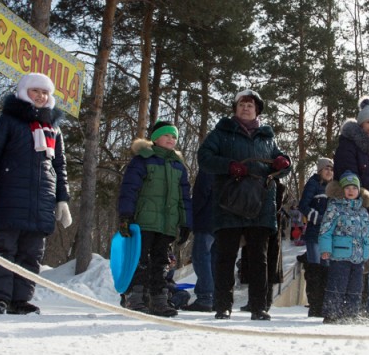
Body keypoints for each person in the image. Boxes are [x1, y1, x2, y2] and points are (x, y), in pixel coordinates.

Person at [0, 72, 71, 315]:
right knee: (3, 248)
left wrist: (62, 199)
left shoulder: (53, 129)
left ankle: (20, 299)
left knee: (31, 253)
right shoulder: (8, 121)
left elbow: (59, 166)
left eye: (45, 92)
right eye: (35, 91)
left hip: (41, 202)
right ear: (23, 92)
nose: (40, 96)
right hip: (9, 198)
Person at [197, 89, 291, 321]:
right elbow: (204, 158)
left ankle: (259, 307)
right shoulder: (221, 133)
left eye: (250, 105)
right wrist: (229, 166)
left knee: (259, 259)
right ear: (235, 109)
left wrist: (283, 163)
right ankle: (222, 306)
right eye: (242, 104)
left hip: (261, 205)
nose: (246, 108)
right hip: (228, 203)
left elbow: (283, 166)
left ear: (257, 110)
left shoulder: (268, 138)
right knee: (225, 257)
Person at [117, 119, 193, 318]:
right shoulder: (143, 159)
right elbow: (129, 189)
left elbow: (184, 197)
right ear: (156, 138)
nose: (171, 139)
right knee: (139, 260)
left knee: (161, 262)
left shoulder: (178, 166)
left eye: (174, 136)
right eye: (166, 135)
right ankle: (135, 297)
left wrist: (186, 223)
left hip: (167, 223)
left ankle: (158, 300)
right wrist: (126, 215)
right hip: (143, 221)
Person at [318, 172, 369, 324]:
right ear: (342, 190)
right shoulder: (335, 207)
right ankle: (332, 313)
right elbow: (325, 230)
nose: (351, 191)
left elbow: (366, 230)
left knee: (355, 287)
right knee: (338, 284)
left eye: (354, 188)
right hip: (340, 254)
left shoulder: (363, 210)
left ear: (359, 191)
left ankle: (351, 314)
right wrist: (325, 249)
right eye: (347, 188)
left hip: (358, 256)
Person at [297, 157, 334, 317]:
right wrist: (318, 218)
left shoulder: (334, 188)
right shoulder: (313, 184)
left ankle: (323, 304)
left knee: (326, 269)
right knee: (314, 268)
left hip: (328, 235)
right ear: (319, 170)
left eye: (331, 169)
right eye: (326, 168)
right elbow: (303, 205)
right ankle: (314, 304)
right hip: (314, 233)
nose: (329, 171)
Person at [181, 168, 216, 312]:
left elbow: (201, 195)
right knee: (214, 259)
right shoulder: (228, 165)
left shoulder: (209, 168)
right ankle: (214, 297)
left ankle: (205, 297)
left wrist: (191, 217)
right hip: (223, 222)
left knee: (201, 257)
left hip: (206, 219)